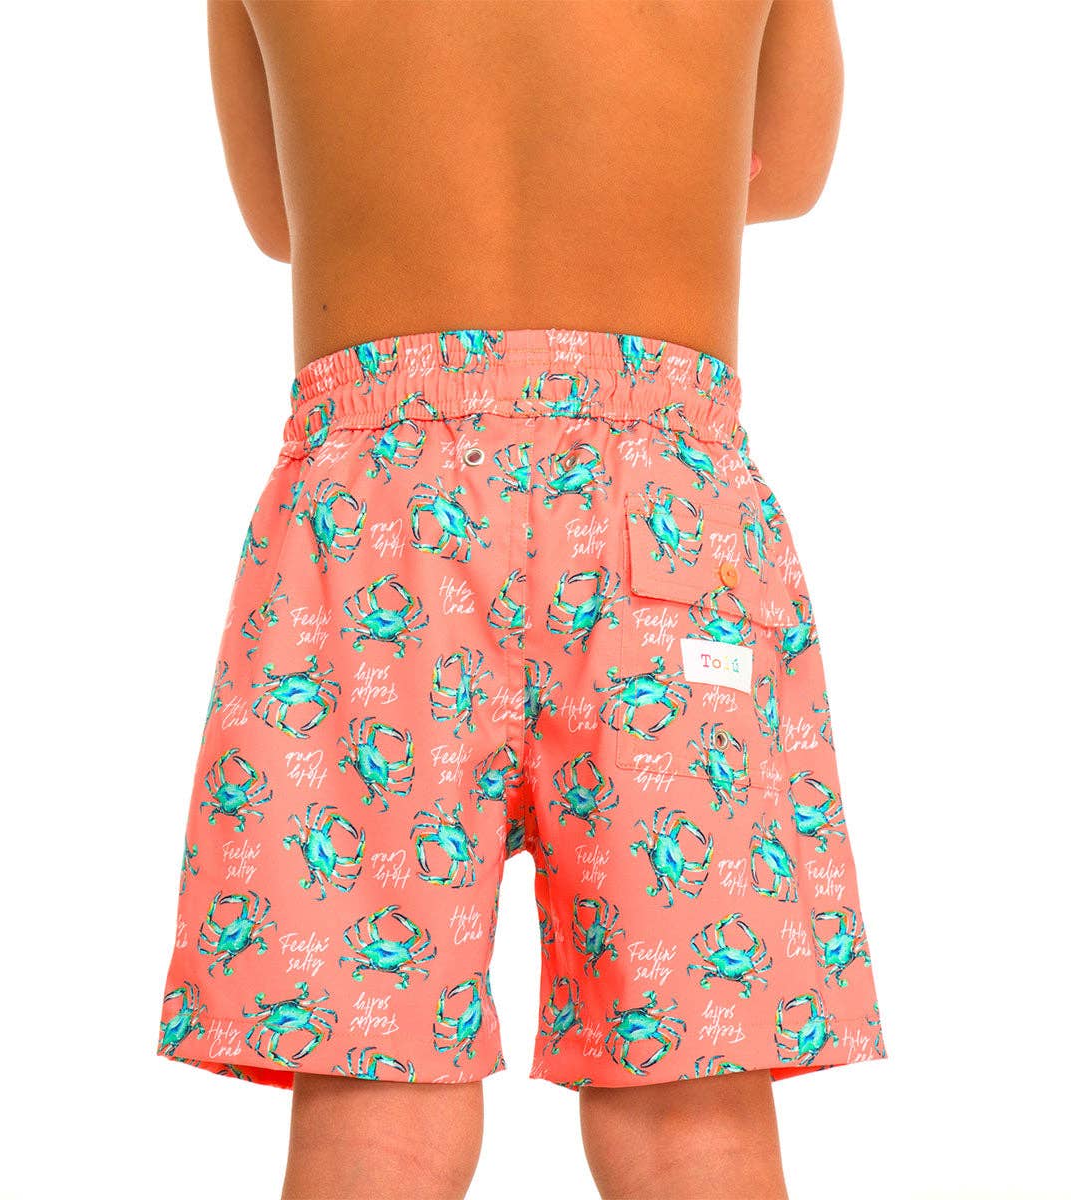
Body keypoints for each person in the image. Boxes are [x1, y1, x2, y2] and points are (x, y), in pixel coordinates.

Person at [156, 3, 887, 1197]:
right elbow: (792, 170)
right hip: (658, 512)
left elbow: (277, 214)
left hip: (378, 518)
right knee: (690, 1101)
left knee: (374, 1095)